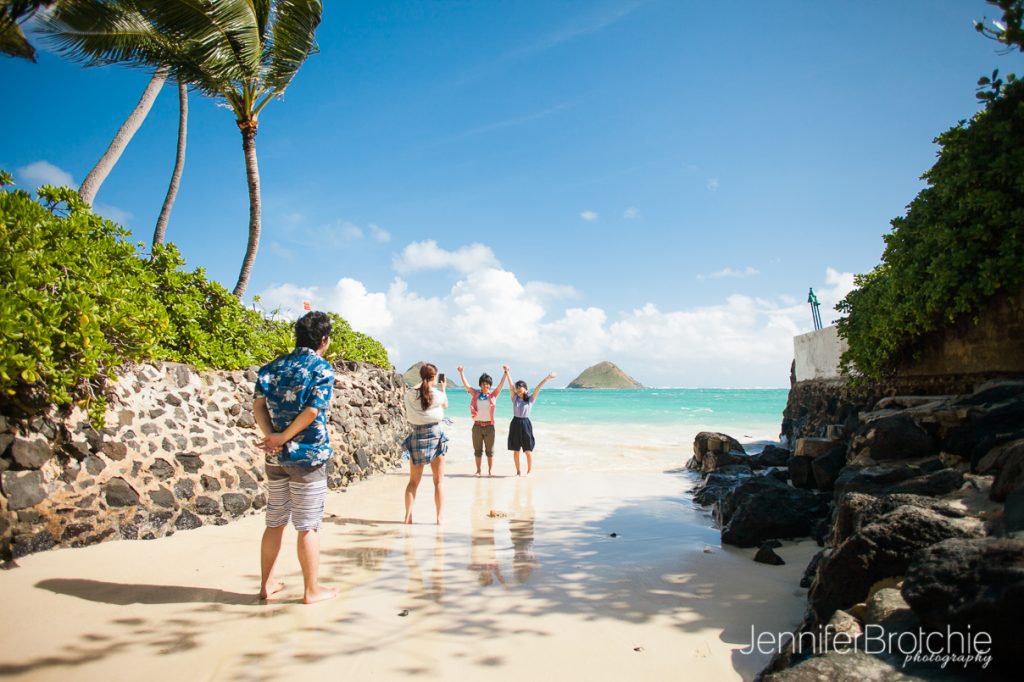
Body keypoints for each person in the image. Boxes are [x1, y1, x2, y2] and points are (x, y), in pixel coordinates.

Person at [253, 311, 337, 604]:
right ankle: (311, 590)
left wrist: (273, 439)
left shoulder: (270, 368)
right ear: (323, 340)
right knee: (308, 525)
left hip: (275, 457)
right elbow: (313, 411)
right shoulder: (322, 369)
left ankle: (267, 584)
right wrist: (284, 438)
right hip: (308, 456)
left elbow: (258, 407)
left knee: (275, 520)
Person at [402, 363, 448, 524]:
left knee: (413, 482)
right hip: (435, 435)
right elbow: (446, 405)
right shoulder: (438, 394)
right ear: (434, 377)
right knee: (438, 482)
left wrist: (423, 381)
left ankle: (408, 516)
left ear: (421, 377)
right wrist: (443, 388)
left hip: (417, 435)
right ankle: (439, 518)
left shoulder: (409, 394)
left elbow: (415, 390)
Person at [456, 365, 508, 477]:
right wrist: (461, 373)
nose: (486, 385)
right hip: (477, 427)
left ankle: (490, 471)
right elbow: (467, 386)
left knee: (490, 451)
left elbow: (500, 385)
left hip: (489, 427)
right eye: (484, 383)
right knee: (477, 451)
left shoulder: (493, 395)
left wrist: (505, 373)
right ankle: (478, 470)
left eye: (488, 383)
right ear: (480, 384)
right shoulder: (476, 394)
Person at [504, 367, 557, 475]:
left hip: (526, 424)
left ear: (526, 390)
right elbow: (510, 386)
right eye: (517, 388)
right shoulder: (514, 398)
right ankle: (518, 472)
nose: (518, 389)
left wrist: (548, 378)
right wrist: (507, 372)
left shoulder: (530, 400)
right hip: (515, 423)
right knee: (516, 451)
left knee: (528, 451)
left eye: (521, 387)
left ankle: (529, 471)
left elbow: (538, 387)